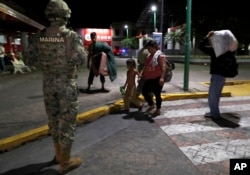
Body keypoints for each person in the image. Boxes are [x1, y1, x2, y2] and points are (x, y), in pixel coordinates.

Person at [23, 0, 87, 174]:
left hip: (48, 84)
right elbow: (82, 59)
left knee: (53, 119)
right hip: (66, 84)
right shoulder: (70, 36)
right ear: (65, 15)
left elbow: (28, 60)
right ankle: (65, 162)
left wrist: (46, 61)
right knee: (67, 123)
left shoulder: (41, 35)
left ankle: (58, 154)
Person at [198, 30, 238, 119]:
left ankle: (215, 114)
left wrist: (207, 36)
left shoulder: (215, 51)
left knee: (212, 96)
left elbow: (201, 46)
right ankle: (213, 112)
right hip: (222, 76)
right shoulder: (227, 51)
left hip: (217, 76)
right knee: (215, 95)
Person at [140, 40, 167, 116]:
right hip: (149, 78)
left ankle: (158, 109)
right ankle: (151, 104)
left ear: (153, 47)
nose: (148, 50)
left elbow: (164, 67)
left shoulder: (160, 56)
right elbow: (145, 66)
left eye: (149, 48)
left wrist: (162, 78)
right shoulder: (149, 56)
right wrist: (142, 74)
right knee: (144, 91)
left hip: (157, 78)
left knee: (157, 94)